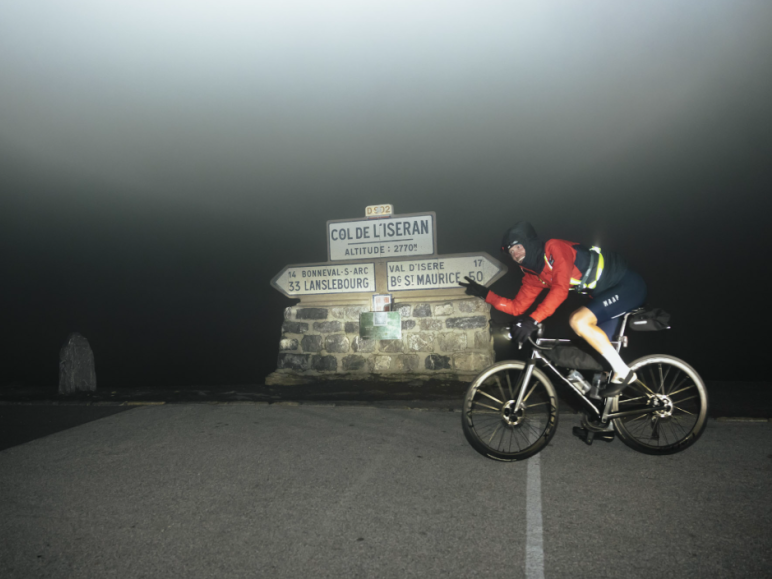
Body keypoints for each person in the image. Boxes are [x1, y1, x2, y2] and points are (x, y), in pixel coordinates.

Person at [459, 221, 646, 396]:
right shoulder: (533, 276)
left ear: (529, 243)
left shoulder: (554, 248)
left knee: (578, 321)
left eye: (518, 246)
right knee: (599, 358)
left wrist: (533, 320)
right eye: (510, 251)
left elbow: (560, 289)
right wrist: (486, 294)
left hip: (626, 285)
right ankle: (606, 419)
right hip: (604, 296)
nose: (515, 253)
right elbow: (516, 307)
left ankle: (625, 373)